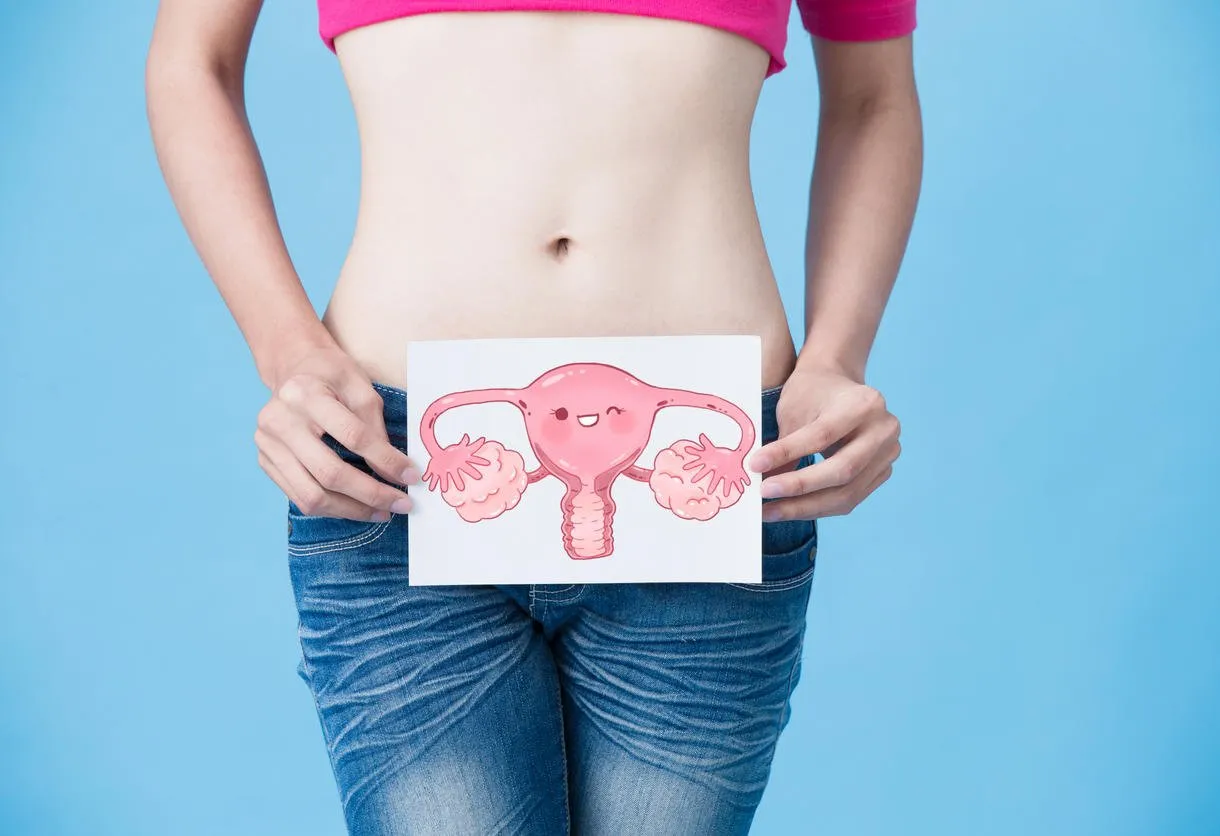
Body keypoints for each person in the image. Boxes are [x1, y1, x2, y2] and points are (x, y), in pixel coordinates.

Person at [145, 0, 920, 832]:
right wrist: (287, 352)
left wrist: (839, 357)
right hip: (399, 466)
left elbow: (873, 95)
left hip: (705, 477)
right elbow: (193, 60)